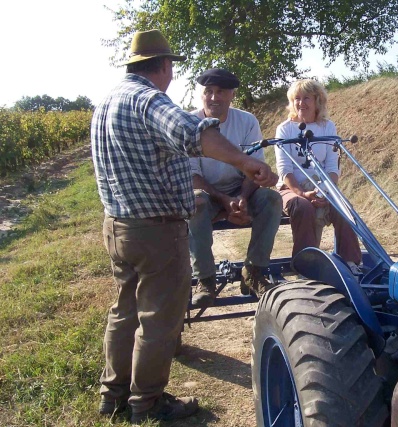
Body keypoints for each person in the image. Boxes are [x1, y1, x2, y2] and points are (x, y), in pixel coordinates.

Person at [91, 29, 277, 424]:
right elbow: (194, 134)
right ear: (164, 66)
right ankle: (148, 402)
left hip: (118, 224)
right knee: (160, 319)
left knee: (124, 312)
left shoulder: (107, 100)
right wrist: (247, 163)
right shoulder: (147, 100)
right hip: (154, 230)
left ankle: (114, 396)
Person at [188, 68, 282, 303]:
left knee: (272, 199)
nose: (213, 97)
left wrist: (241, 197)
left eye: (220, 92)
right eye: (208, 91)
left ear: (231, 95)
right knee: (195, 202)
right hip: (208, 191)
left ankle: (254, 271)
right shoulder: (190, 123)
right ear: (202, 95)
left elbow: (255, 166)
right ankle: (205, 279)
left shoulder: (247, 121)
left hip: (241, 189)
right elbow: (193, 177)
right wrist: (224, 200)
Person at [274, 79, 362, 273]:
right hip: (291, 188)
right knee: (303, 207)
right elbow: (284, 169)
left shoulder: (327, 127)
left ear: (317, 101)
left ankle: (351, 263)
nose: (301, 103)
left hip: (321, 186)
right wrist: (302, 194)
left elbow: (332, 166)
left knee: (344, 208)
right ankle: (306, 265)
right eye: (296, 98)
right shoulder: (285, 129)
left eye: (306, 98)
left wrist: (325, 191)